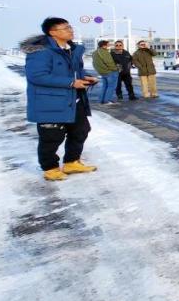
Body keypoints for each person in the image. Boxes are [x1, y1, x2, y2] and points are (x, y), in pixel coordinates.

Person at [21, 18, 99, 181]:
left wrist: (85, 78)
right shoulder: (41, 51)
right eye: (65, 28)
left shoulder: (73, 50)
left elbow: (74, 73)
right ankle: (50, 168)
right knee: (51, 137)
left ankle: (71, 162)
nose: (70, 30)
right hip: (50, 102)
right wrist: (71, 83)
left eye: (70, 27)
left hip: (73, 100)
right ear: (53, 32)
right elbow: (37, 76)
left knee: (81, 130)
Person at [91, 39, 119, 106]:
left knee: (105, 86)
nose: (108, 45)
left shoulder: (95, 52)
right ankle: (107, 100)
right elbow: (109, 62)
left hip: (102, 72)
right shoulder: (104, 52)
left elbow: (94, 63)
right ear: (104, 45)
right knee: (111, 87)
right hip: (109, 71)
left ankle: (102, 100)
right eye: (107, 44)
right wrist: (116, 69)